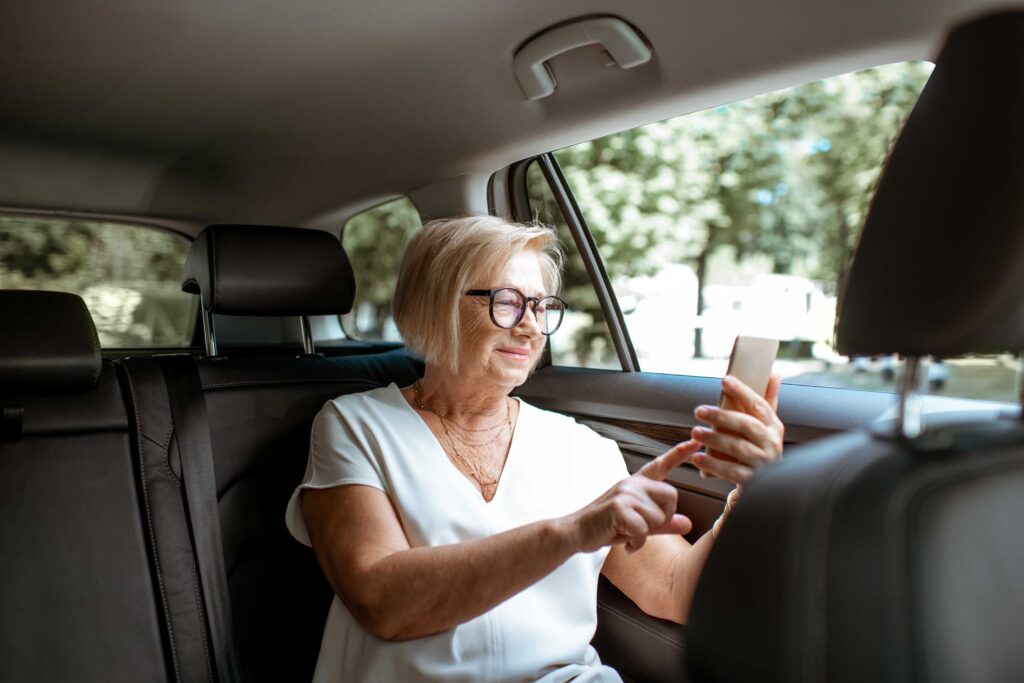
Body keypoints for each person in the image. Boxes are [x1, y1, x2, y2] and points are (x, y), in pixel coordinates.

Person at [285, 215, 785, 682]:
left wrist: (757, 489)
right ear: (434, 304)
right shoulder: (354, 424)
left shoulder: (581, 447)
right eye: (507, 302)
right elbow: (381, 602)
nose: (530, 326)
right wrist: (571, 532)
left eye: (542, 307)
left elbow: (675, 591)